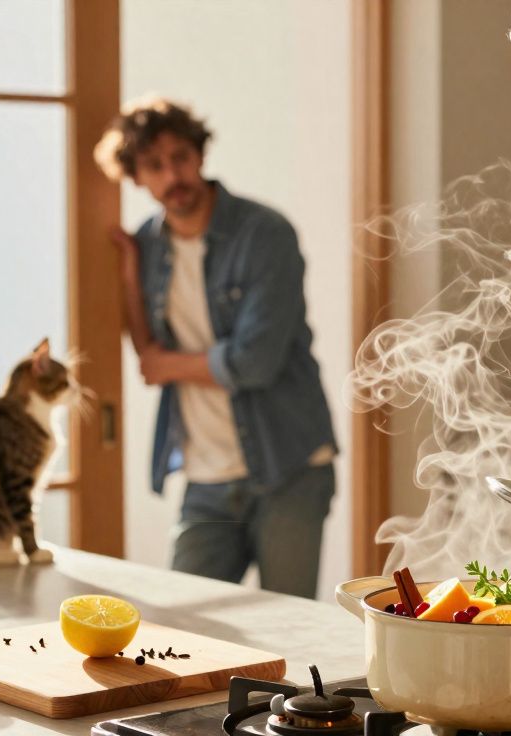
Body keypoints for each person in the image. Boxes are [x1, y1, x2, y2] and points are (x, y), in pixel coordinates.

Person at [93, 96, 337, 598]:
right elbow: (149, 357)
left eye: (180, 158)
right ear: (137, 177)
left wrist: (166, 365)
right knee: (185, 626)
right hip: (205, 475)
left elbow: (253, 363)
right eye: (155, 166)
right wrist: (127, 274)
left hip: (287, 463)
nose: (172, 175)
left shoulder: (263, 233)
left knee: (291, 627)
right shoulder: (149, 243)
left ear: (200, 156)